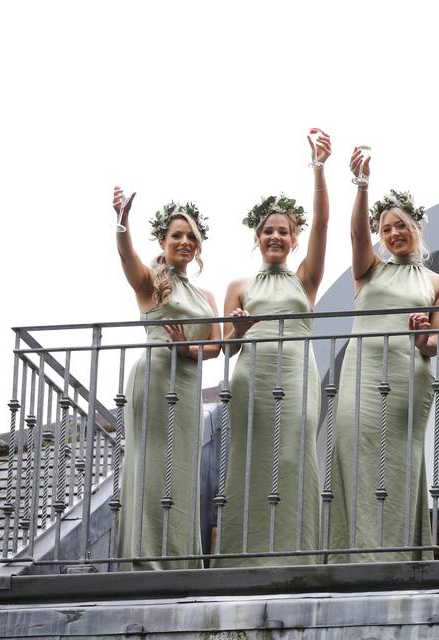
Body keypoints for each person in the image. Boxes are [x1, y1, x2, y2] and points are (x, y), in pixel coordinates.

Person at [326, 149, 439, 562]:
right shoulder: (369, 270)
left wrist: (422, 341)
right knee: (354, 453)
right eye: (386, 228)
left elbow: (437, 343)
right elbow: (355, 238)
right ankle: (357, 556)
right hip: (361, 376)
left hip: (405, 380)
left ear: (416, 228)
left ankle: (398, 556)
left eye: (401, 225)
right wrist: (362, 186)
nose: (394, 233)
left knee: (397, 466)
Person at [217, 130, 331, 566]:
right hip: (252, 377)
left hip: (297, 375)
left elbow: (323, 224)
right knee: (250, 459)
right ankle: (242, 557)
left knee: (294, 454)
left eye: (284, 231)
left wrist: (318, 167)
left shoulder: (305, 279)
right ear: (257, 236)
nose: (276, 237)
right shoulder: (238, 286)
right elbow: (225, 349)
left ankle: (295, 554)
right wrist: (238, 331)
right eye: (269, 231)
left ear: (294, 238)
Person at [111, 189, 221, 570]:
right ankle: (143, 561)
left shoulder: (206, 295)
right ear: (163, 240)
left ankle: (180, 560)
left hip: (188, 384)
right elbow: (127, 257)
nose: (185, 242)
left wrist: (187, 349)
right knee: (150, 465)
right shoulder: (152, 283)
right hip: (155, 380)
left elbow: (217, 347)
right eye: (177, 235)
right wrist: (122, 222)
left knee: (183, 470)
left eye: (191, 237)